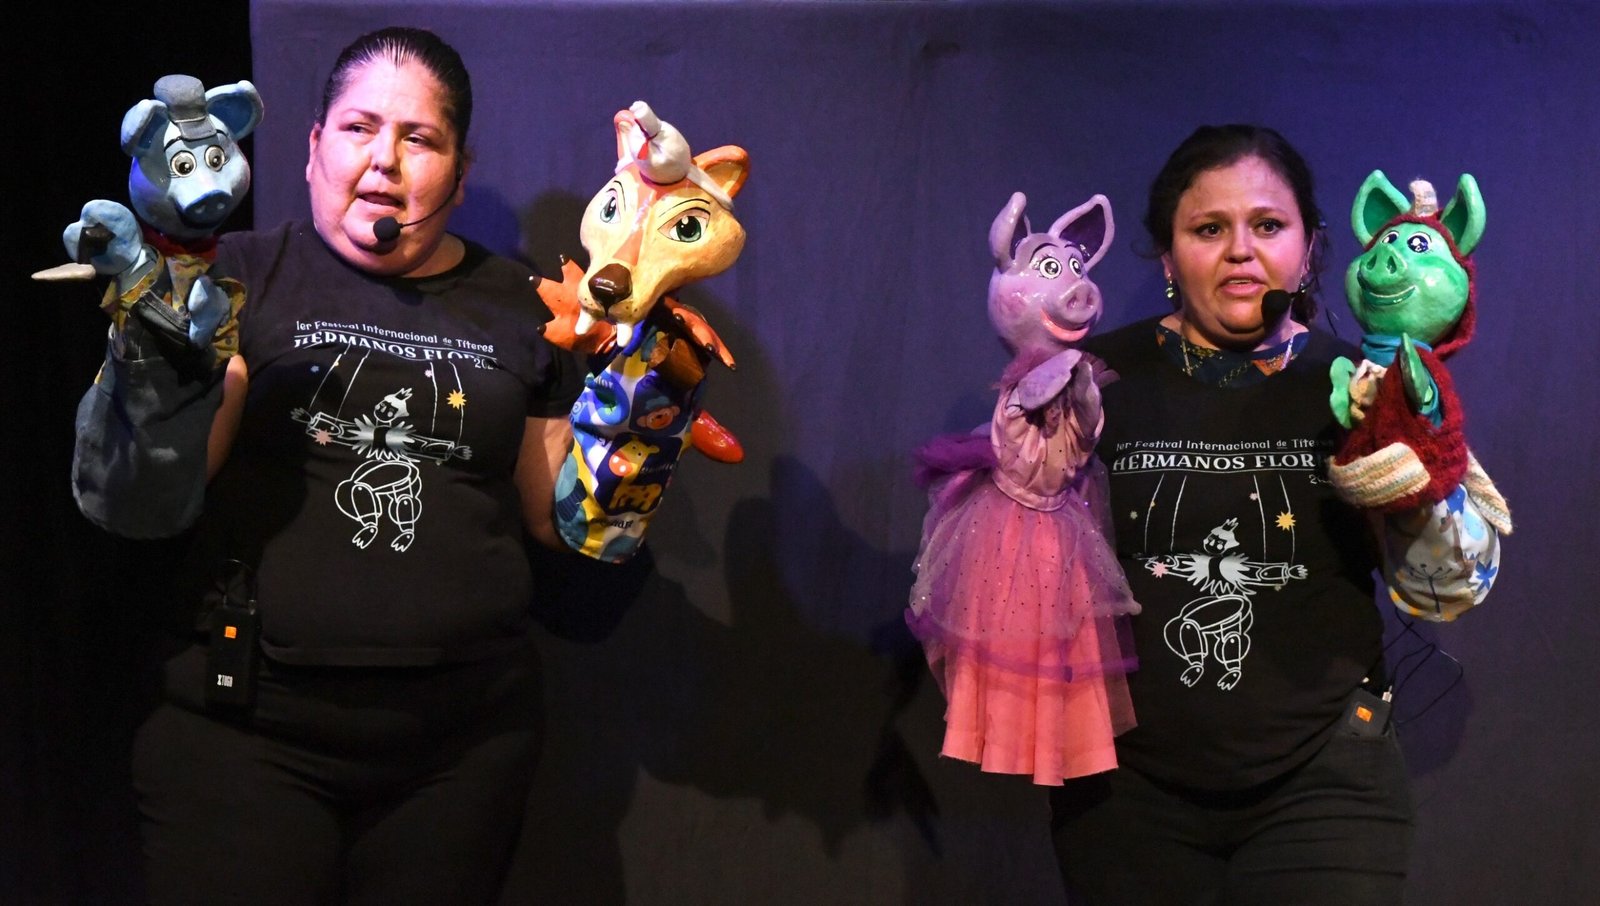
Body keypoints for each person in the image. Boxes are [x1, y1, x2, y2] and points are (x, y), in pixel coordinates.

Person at [63, 26, 692, 905]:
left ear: (459, 174)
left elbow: (563, 520)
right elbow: (155, 492)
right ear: (314, 148)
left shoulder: (526, 307)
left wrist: (649, 399)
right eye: (359, 128)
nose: (384, 161)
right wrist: (167, 360)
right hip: (246, 743)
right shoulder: (230, 276)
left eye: (419, 138)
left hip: (460, 757)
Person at [1047, 125, 1502, 905]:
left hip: (1327, 782)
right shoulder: (1091, 381)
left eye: (1267, 225)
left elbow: (1449, 589)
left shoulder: (1362, 384)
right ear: (1167, 255)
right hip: (1126, 790)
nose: (1240, 251)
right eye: (1208, 229)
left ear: (1309, 245)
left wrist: (1415, 469)